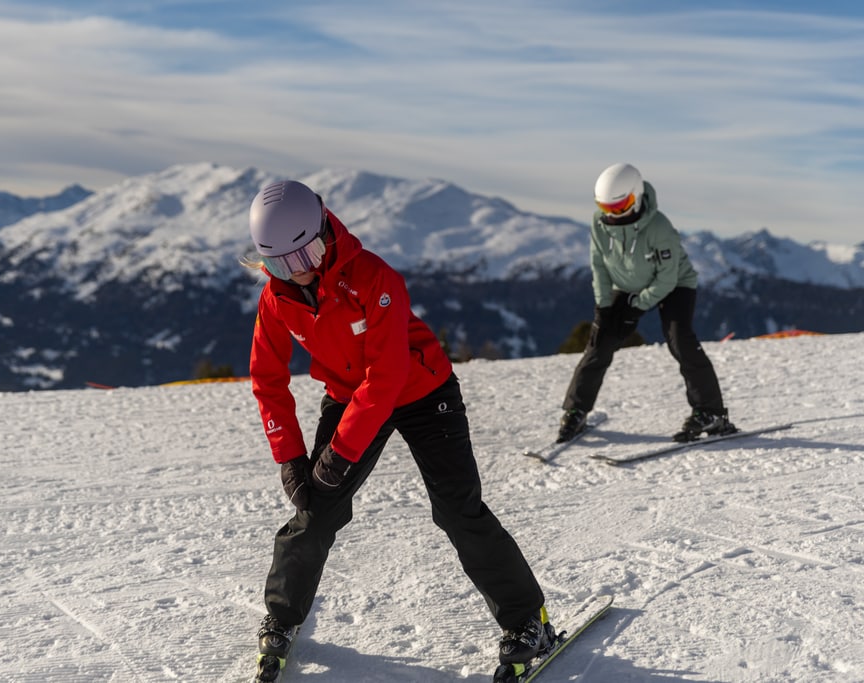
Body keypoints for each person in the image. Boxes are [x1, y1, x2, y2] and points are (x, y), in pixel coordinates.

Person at [245, 179, 552, 681]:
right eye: (280, 264)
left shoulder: (373, 278)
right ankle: (281, 617)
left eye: (306, 254)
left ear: (325, 229)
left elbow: (385, 377)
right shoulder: (277, 300)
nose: (297, 270)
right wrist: (291, 459)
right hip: (348, 397)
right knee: (314, 510)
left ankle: (527, 621)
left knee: (458, 510)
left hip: (423, 391)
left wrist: (339, 454)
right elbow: (268, 380)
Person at [557, 162, 736, 444]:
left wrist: (637, 305)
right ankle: (576, 409)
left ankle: (711, 412)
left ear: (636, 195)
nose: (613, 214)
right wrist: (604, 308)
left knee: (680, 340)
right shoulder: (599, 223)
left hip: (676, 284)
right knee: (599, 342)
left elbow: (667, 277)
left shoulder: (660, 228)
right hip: (625, 285)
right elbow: (598, 265)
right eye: (606, 207)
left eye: (621, 205)